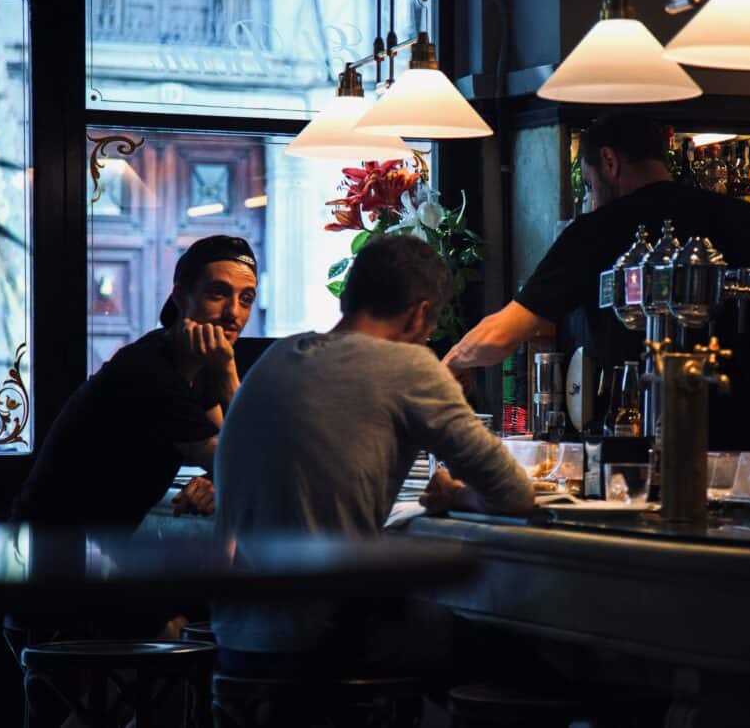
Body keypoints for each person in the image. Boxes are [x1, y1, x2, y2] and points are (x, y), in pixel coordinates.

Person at [212, 234, 533, 684]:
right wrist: (458, 498)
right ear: (420, 314)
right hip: (327, 643)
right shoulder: (410, 365)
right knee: (524, 654)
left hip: (236, 642)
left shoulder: (274, 356)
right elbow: (515, 494)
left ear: (349, 294)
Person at [443, 112, 750, 451]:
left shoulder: (597, 230)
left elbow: (504, 332)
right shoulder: (745, 218)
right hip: (741, 441)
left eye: (591, 183)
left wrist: (454, 362)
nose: (593, 196)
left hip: (639, 446)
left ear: (609, 161)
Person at [12, 234, 259, 532]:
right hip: (52, 548)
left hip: (99, 542)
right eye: (218, 294)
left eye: (246, 299)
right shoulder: (150, 372)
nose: (234, 313)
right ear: (181, 297)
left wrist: (217, 477)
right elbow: (252, 459)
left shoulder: (197, 360)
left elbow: (235, 450)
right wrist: (229, 371)